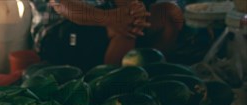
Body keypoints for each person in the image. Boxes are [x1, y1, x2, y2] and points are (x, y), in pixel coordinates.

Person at [30, 0, 184, 68]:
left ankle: (156, 75)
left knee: (168, 14)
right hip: (59, 30)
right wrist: (113, 19)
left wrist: (133, 11)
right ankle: (113, 99)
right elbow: (63, 5)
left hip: (106, 17)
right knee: (125, 31)